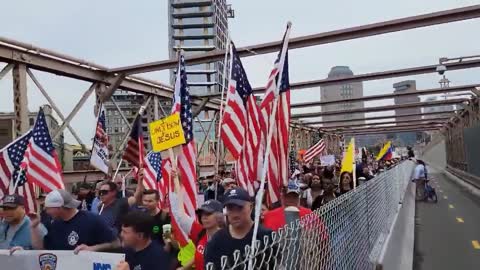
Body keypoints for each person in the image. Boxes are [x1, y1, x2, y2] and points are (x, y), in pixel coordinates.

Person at [204, 187, 273, 269]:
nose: (235, 214)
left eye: (240, 208)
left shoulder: (266, 236)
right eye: (230, 208)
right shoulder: (216, 240)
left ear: (251, 207)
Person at [30, 189, 119, 252]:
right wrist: (34, 227)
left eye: (48, 208)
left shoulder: (92, 220)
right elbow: (41, 249)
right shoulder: (54, 224)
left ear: (60, 207)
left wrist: (93, 248)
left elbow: (116, 243)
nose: (46, 211)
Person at [170, 193, 224, 270]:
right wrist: (184, 268)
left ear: (220, 216)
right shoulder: (200, 232)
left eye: (208, 214)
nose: (204, 217)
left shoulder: (227, 237)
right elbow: (180, 217)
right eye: (201, 214)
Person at [98, 168, 144, 235]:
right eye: (100, 192)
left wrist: (140, 180)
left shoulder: (121, 203)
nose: (101, 194)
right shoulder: (100, 207)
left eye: (104, 192)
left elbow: (136, 196)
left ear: (113, 192)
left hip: (118, 241)